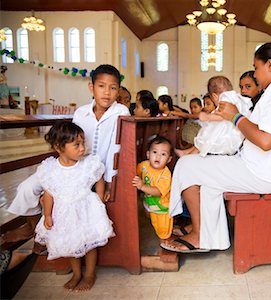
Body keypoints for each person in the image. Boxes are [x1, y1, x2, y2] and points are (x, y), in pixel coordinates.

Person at [161, 42, 271, 253]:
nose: (255, 74)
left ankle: (199, 236)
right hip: (256, 166)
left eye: (256, 68)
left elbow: (266, 141)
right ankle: (210, 238)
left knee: (186, 165)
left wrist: (235, 117)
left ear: (270, 65)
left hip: (262, 173)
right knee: (206, 178)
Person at [4, 64, 129, 243]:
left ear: (118, 91)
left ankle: (41, 237)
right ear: (91, 87)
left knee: (57, 196)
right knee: (27, 188)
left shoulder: (120, 112)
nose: (107, 92)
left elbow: (114, 150)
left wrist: (109, 181)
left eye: (113, 87)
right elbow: (69, 139)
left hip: (91, 171)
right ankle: (34, 229)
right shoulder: (81, 112)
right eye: (101, 86)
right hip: (68, 163)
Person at [34, 121, 114, 291]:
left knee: (90, 243)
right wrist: (47, 215)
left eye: (83, 143)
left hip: (86, 210)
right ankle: (76, 273)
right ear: (59, 147)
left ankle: (90, 273)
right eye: (76, 144)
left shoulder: (88, 164)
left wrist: (99, 200)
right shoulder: (50, 169)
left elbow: (98, 178)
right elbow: (49, 193)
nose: (82, 148)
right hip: (64, 214)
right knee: (71, 244)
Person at [175, 76, 253, 157]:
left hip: (224, 133)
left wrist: (208, 117)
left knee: (205, 139)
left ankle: (189, 156)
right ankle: (186, 152)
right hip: (229, 130)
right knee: (203, 139)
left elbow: (223, 115)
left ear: (215, 96)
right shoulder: (235, 98)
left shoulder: (225, 98)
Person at [132, 136, 173, 241]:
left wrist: (142, 186)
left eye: (163, 154)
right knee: (152, 221)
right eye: (154, 152)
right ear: (148, 154)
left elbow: (158, 191)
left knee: (163, 231)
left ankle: (164, 243)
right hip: (149, 203)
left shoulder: (166, 174)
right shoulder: (143, 166)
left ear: (169, 159)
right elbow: (133, 172)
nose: (158, 157)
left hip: (162, 208)